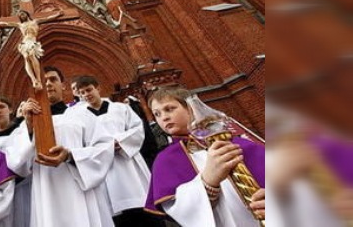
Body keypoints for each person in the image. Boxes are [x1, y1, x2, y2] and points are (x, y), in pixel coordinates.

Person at [145, 87, 265, 227]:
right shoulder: (165, 160)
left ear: (191, 108)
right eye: (157, 114)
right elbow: (180, 210)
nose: (164, 117)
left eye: (169, 109)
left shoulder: (238, 143)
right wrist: (208, 182)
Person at [12, 66, 115, 227]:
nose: (48, 84)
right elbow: (17, 163)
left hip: (81, 189)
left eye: (53, 79)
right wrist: (30, 127)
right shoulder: (28, 123)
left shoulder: (82, 114)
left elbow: (104, 147)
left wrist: (71, 156)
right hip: (46, 192)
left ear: (63, 85)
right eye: (43, 81)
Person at [75, 76, 160, 227]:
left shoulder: (121, 108)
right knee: (119, 216)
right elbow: (81, 144)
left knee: (143, 210)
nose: (86, 94)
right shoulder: (80, 118)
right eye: (82, 93)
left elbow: (138, 129)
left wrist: (121, 142)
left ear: (98, 88)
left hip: (129, 163)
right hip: (105, 168)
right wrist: (104, 149)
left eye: (89, 90)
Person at [0, 96, 32, 227]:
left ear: (11, 110)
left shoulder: (21, 133)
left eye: (1, 107)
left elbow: (27, 157)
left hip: (21, 189)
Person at [0, 10, 62, 89]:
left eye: (23, 14)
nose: (22, 16)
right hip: (25, 42)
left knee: (31, 55)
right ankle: (33, 80)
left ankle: (38, 79)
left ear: (27, 14)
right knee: (26, 58)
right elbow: (6, 24)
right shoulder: (20, 25)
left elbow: (47, 18)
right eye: (20, 15)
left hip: (32, 41)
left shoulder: (35, 21)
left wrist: (57, 15)